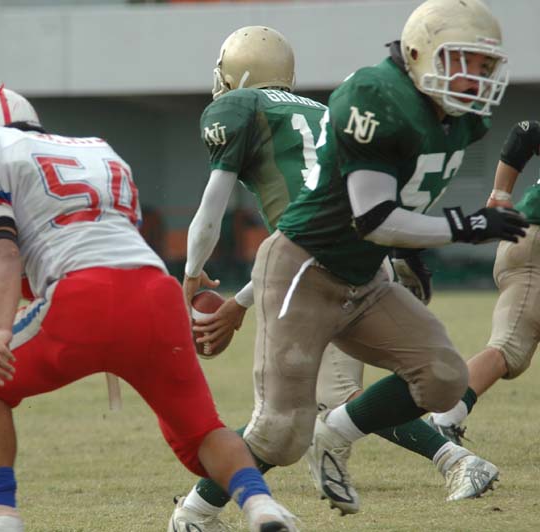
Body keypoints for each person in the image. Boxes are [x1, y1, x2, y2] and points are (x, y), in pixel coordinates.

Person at [169, 16, 505, 529]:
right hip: (333, 259)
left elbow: (216, 213)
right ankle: (198, 511)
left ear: (237, 74)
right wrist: (239, 304)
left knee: (422, 380)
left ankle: (433, 455)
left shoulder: (238, 107)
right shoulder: (326, 109)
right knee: (293, 424)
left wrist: (192, 274)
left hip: (335, 262)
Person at [0, 86, 298, 532]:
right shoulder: (96, 150)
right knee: (202, 431)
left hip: (83, 297)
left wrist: (0, 329)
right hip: (155, 292)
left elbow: (2, 249)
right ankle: (261, 506)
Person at [426, 120, 540, 441]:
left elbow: (525, 133)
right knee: (510, 345)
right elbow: (527, 131)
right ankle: (445, 416)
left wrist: (500, 195)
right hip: (534, 244)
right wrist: (499, 197)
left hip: (528, 240)